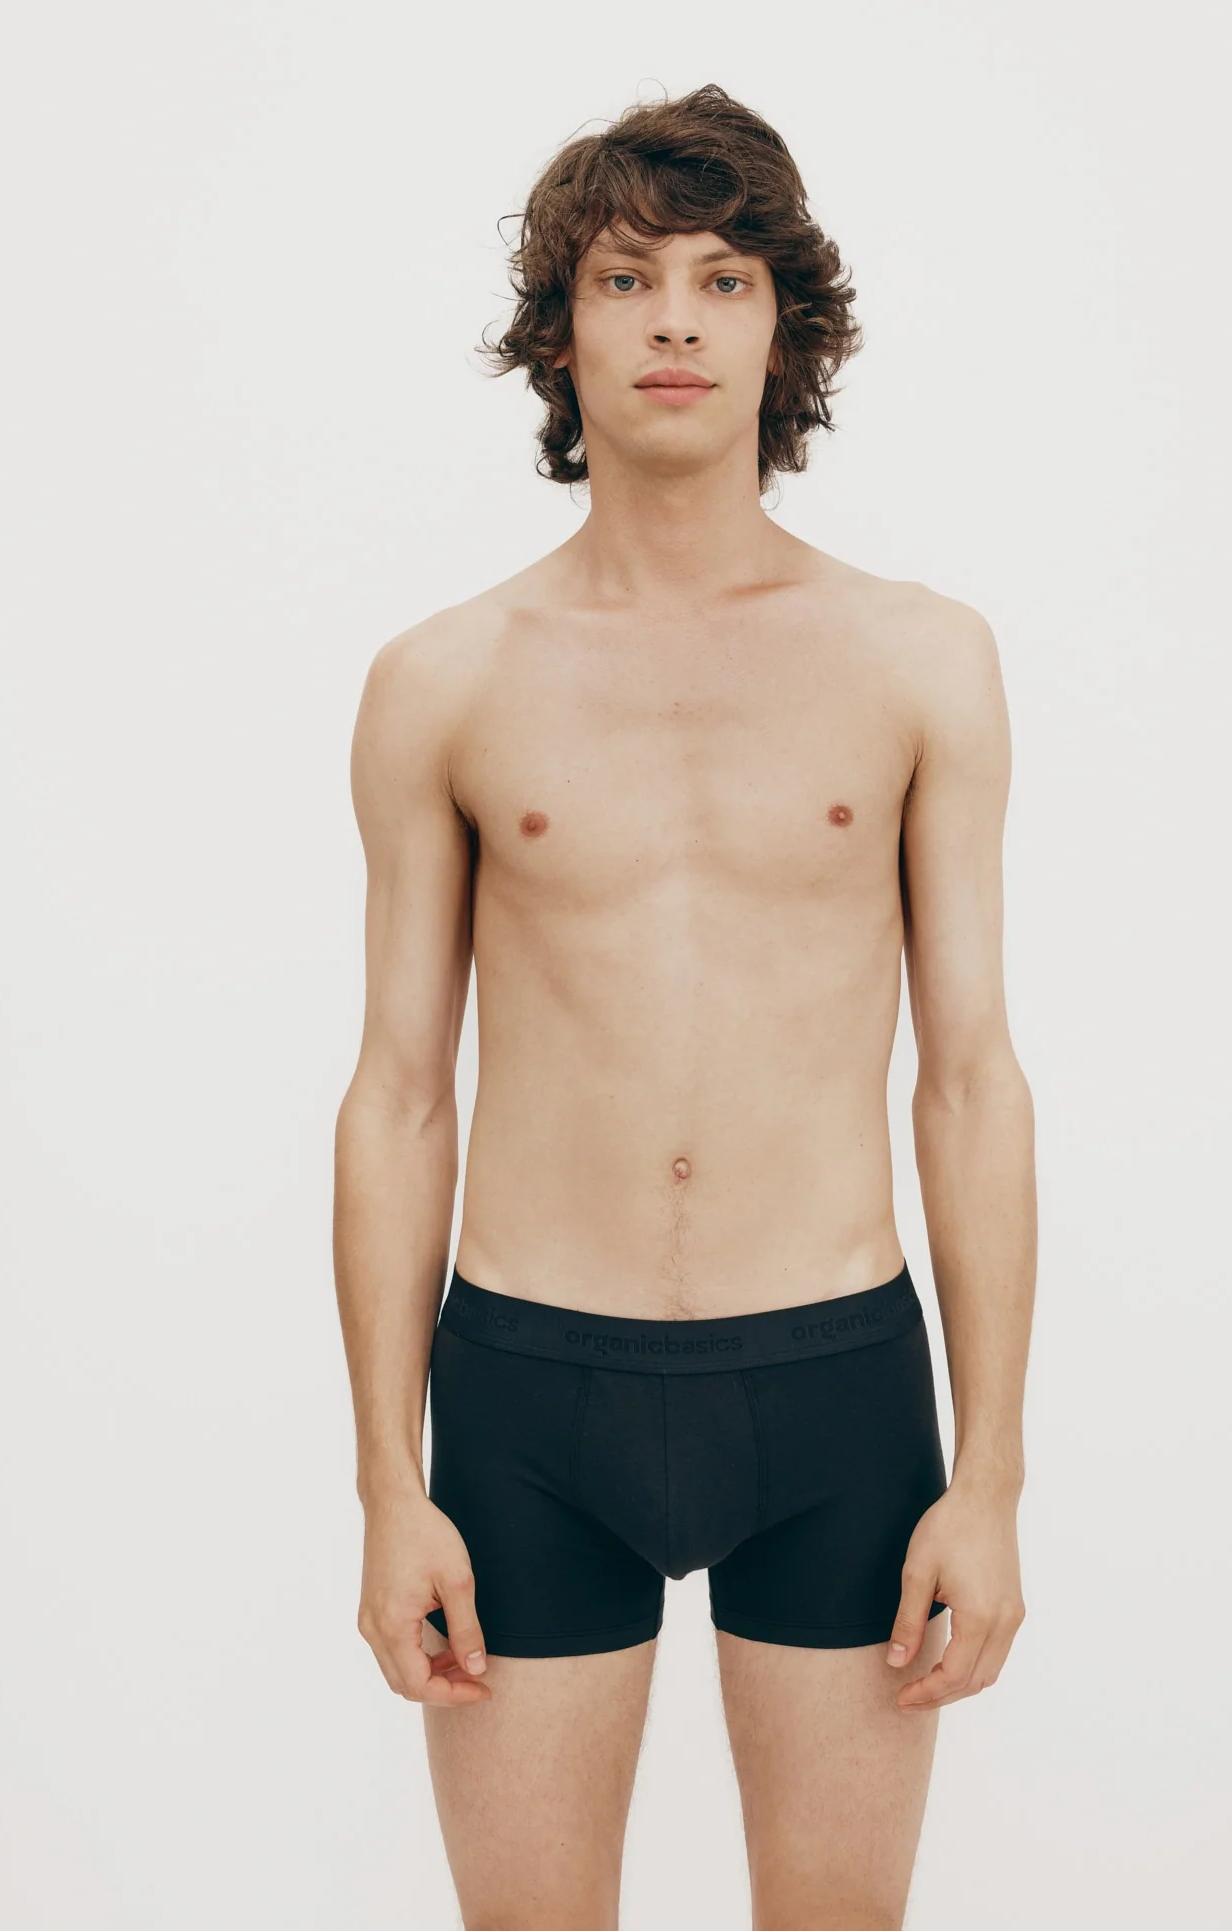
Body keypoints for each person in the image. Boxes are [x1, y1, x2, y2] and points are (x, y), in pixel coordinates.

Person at [333, 82, 1038, 1931]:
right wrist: (386, 1482)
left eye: (724, 281)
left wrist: (991, 1475)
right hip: (529, 1390)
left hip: (833, 1384)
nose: (673, 321)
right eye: (626, 278)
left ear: (784, 329)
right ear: (559, 331)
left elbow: (971, 1078)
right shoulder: (443, 681)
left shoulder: (920, 659)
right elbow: (399, 1092)